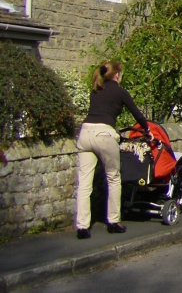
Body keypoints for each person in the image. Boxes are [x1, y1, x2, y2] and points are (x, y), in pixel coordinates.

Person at [75, 61, 148, 239]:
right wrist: (148, 130)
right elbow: (137, 114)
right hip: (104, 135)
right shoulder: (120, 91)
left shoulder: (96, 89)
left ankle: (82, 227)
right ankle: (113, 221)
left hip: (85, 133)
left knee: (84, 183)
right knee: (113, 178)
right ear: (117, 75)